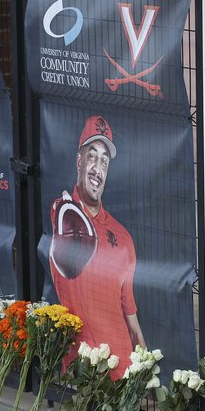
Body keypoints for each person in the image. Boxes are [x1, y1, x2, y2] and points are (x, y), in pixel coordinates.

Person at [48, 115, 146, 380]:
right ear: (79, 161)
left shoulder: (124, 238)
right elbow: (65, 224)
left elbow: (131, 319)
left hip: (122, 373)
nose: (97, 167)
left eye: (104, 161)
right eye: (92, 156)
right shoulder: (63, 212)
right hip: (83, 375)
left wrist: (144, 373)